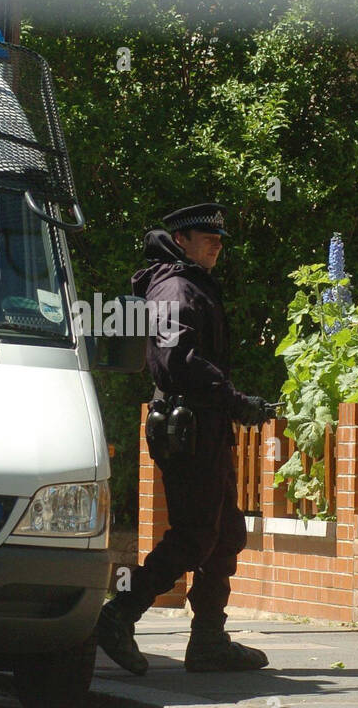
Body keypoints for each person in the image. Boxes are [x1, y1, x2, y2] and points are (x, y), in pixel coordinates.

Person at [95, 203, 277, 675]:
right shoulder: (176, 288)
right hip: (190, 426)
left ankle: (209, 640)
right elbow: (179, 362)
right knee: (195, 536)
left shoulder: (189, 282)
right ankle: (118, 614)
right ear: (181, 240)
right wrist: (235, 398)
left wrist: (229, 403)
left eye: (220, 235)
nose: (216, 242)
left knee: (224, 534)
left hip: (204, 424)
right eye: (205, 235)